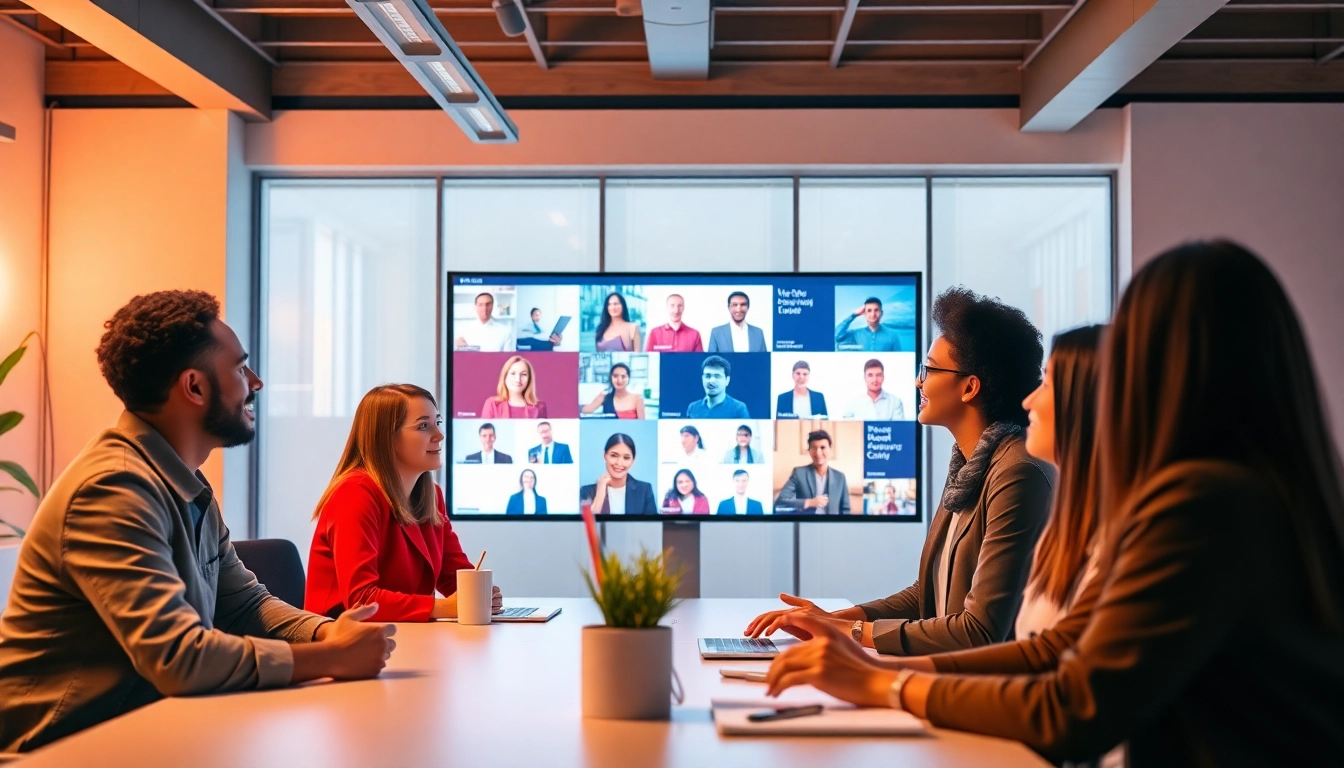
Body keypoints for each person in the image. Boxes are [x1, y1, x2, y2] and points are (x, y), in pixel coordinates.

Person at [760, 242, 1344, 766]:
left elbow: (1072, 705)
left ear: (1165, 363)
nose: (1038, 395)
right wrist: (874, 664)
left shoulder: (1203, 504)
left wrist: (882, 681)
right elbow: (1054, 650)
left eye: (1128, 349)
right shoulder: (1241, 494)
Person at [0, 291, 395, 753]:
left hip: (143, 729)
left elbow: (243, 604)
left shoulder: (182, 480)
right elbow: (178, 658)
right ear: (194, 387)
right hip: (56, 749)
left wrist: (330, 631)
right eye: (240, 368)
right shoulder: (112, 489)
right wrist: (330, 657)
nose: (256, 382)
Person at [748, 287, 1052, 655]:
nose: (918, 381)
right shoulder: (971, 464)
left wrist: (852, 631)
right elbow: (929, 595)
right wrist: (833, 619)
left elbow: (979, 631)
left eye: (929, 369)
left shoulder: (1016, 472)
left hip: (978, 692)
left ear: (970, 387)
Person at [307, 384, 504, 623]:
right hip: (342, 645)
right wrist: (448, 607)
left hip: (404, 636)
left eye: (437, 423)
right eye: (423, 426)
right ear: (386, 438)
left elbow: (453, 577)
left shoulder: (431, 495)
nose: (439, 435)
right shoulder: (354, 494)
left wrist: (480, 594)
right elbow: (362, 600)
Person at [774, 429, 851, 515]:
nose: (818, 453)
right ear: (809, 451)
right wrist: (808, 502)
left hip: (832, 526)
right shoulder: (799, 473)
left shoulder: (840, 477)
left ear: (830, 449)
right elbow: (780, 502)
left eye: (823, 447)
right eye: (814, 448)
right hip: (805, 526)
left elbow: (845, 509)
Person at [579, 433, 657, 515]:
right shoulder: (586, 491)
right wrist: (600, 493)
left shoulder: (645, 490)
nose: (619, 463)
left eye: (626, 458)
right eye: (614, 455)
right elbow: (585, 526)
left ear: (633, 461)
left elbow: (652, 526)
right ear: (604, 456)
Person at [480, 355, 547, 419]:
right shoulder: (492, 404)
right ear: (505, 377)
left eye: (523, 374)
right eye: (513, 374)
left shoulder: (539, 407)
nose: (518, 379)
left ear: (529, 379)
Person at [685, 355, 750, 418]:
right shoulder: (693, 408)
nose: (711, 381)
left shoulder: (738, 409)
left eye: (717, 376)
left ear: (727, 380)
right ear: (702, 379)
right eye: (707, 376)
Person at [841, 359, 905, 420]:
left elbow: (898, 429)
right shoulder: (853, 404)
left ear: (883, 377)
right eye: (870, 375)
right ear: (865, 378)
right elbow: (847, 429)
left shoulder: (895, 402)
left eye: (878, 375)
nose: (874, 380)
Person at [581, 362, 646, 419]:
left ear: (628, 378)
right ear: (610, 378)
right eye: (615, 376)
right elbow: (585, 411)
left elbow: (642, 424)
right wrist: (600, 397)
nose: (619, 380)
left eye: (623, 377)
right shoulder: (606, 398)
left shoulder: (638, 398)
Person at [835, 296, 903, 351]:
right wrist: (854, 315)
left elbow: (898, 360)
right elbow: (837, 336)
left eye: (876, 310)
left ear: (881, 313)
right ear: (864, 314)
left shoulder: (892, 335)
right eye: (869, 310)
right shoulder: (855, 334)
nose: (873, 314)